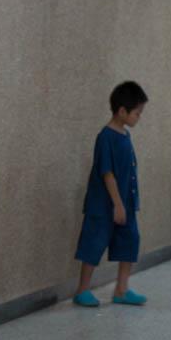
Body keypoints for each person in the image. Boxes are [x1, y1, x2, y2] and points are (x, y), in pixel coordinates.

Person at [72, 81, 148, 308]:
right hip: (104, 205)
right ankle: (82, 290)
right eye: (137, 113)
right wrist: (117, 204)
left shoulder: (125, 135)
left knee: (130, 241)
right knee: (94, 243)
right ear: (122, 111)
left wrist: (126, 203)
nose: (139, 117)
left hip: (125, 203)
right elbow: (107, 173)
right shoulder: (105, 137)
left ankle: (121, 289)